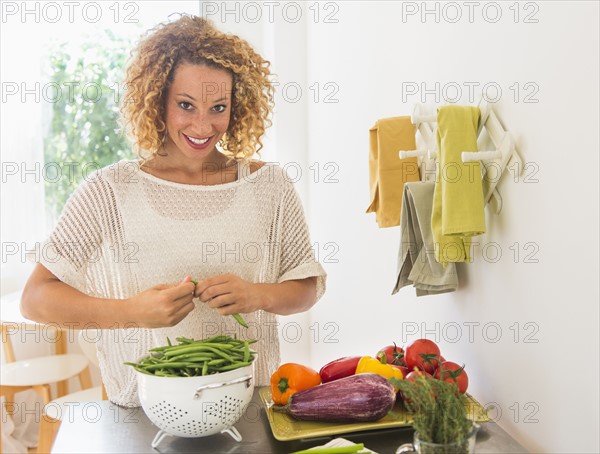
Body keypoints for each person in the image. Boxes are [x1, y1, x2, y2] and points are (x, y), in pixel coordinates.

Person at [20, 15, 326, 407]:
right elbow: (35, 298)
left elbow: (306, 287)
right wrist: (132, 312)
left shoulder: (270, 187)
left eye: (218, 107)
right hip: (145, 410)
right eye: (186, 105)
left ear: (237, 107)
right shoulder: (108, 192)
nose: (203, 124)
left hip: (247, 403)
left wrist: (257, 295)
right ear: (157, 100)